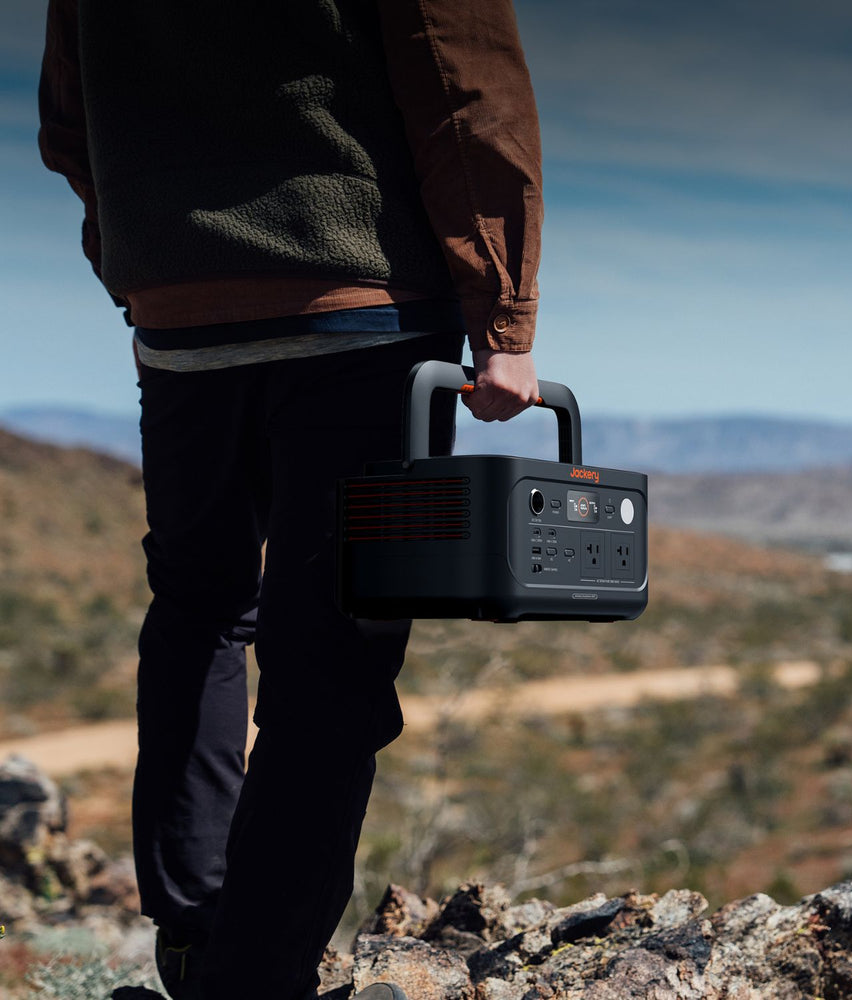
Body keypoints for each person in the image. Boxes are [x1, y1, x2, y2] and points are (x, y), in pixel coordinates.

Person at [38, 2, 543, 998]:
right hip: (360, 319)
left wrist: (148, 260)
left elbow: (68, 113)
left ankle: (192, 939)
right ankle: (259, 974)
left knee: (198, 613)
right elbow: (462, 86)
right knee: (331, 657)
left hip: (181, 323)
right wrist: (505, 316)